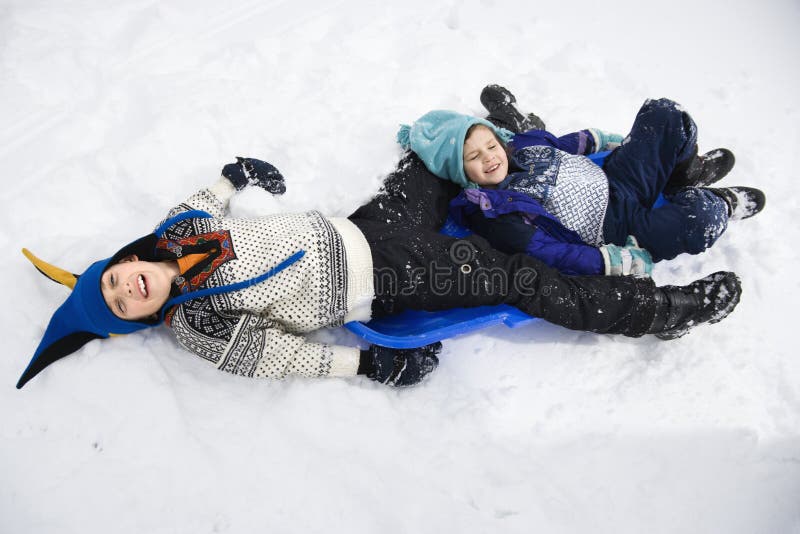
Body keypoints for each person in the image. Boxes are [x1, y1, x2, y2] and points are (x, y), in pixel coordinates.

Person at [17, 153, 742, 390]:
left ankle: (621, 175)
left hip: (365, 225)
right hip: (390, 275)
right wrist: (365, 365)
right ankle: (655, 311)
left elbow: (198, 200)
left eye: (114, 279)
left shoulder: (178, 237)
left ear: (127, 260)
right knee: (519, 279)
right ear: (137, 320)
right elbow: (278, 355)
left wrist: (234, 175)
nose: (125, 289)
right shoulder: (197, 321)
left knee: (434, 162)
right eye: (119, 305)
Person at [399, 92, 765, 276]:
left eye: (490, 146)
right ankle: (718, 204)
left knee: (665, 114)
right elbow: (547, 252)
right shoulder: (492, 211)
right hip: (617, 228)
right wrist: (609, 261)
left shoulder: (520, 146)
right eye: (474, 158)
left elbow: (561, 144)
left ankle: (682, 177)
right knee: (699, 219)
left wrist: (597, 139)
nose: (490, 158)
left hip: (616, 178)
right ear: (458, 171)